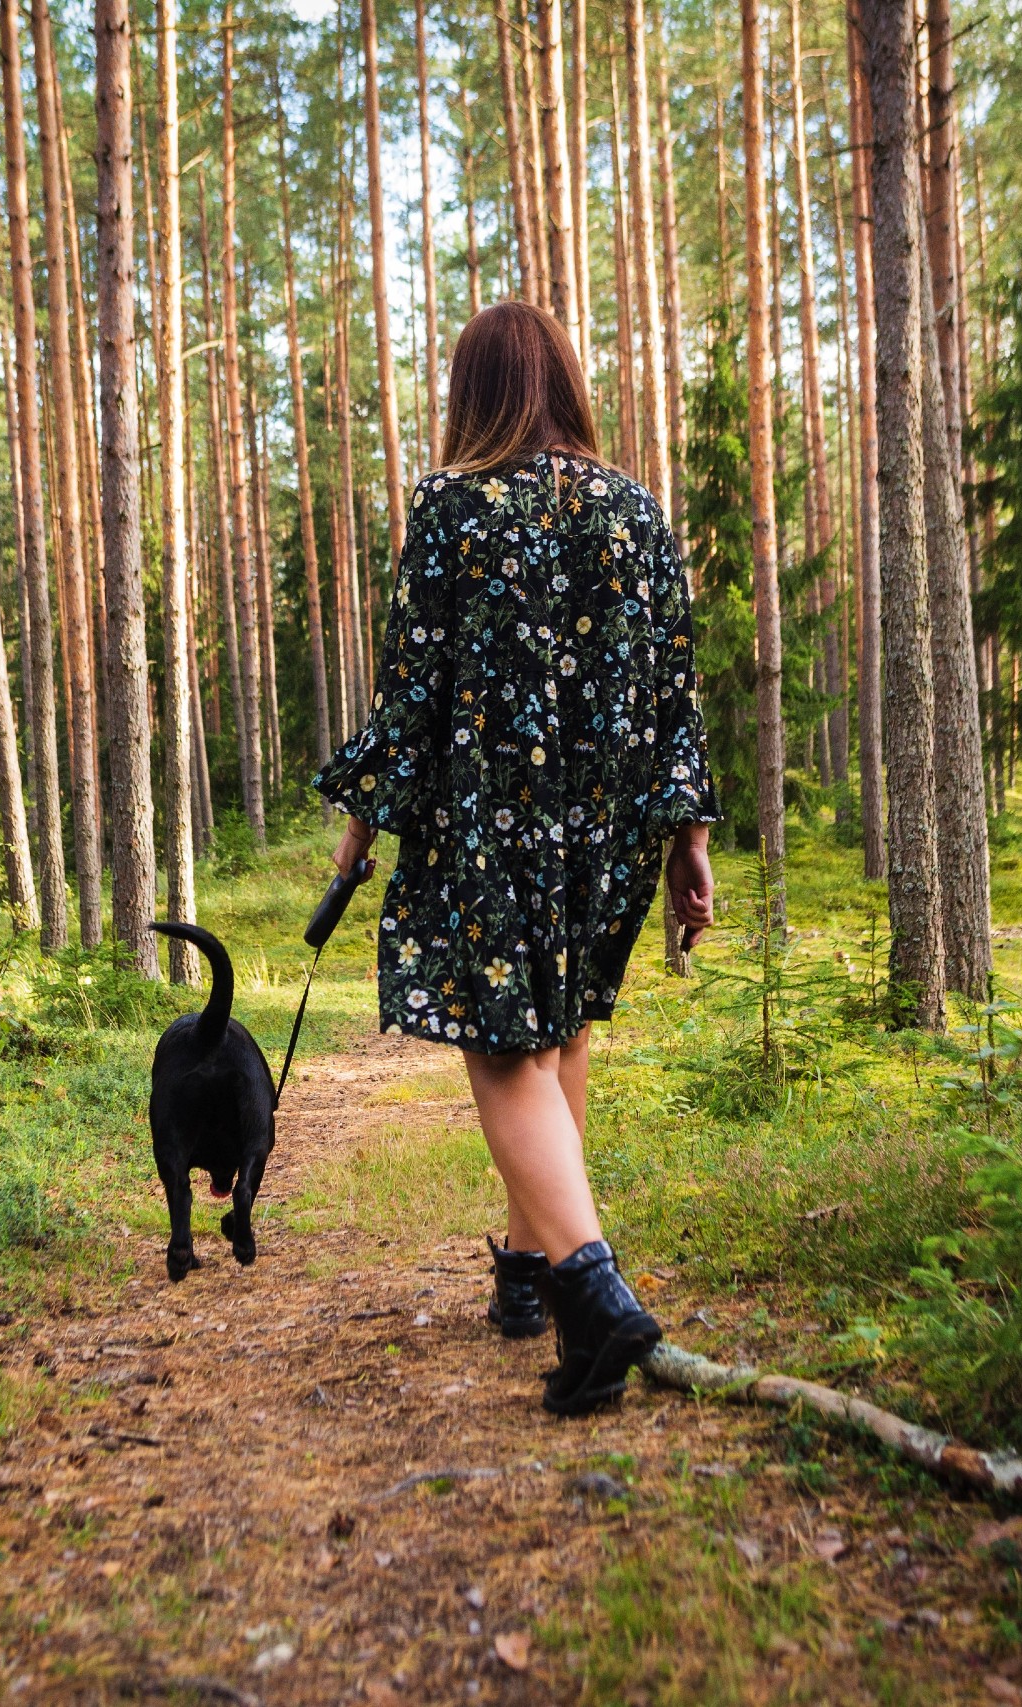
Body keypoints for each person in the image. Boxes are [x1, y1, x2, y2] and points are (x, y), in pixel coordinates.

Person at [315, 301, 718, 1416]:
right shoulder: (638, 510)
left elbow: (413, 685)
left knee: (504, 1046)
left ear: (473, 391)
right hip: (607, 821)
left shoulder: (451, 506)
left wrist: (364, 817)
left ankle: (593, 1292)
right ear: (568, 384)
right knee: (559, 1026)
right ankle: (536, 1278)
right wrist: (686, 838)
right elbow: (677, 695)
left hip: (488, 812)